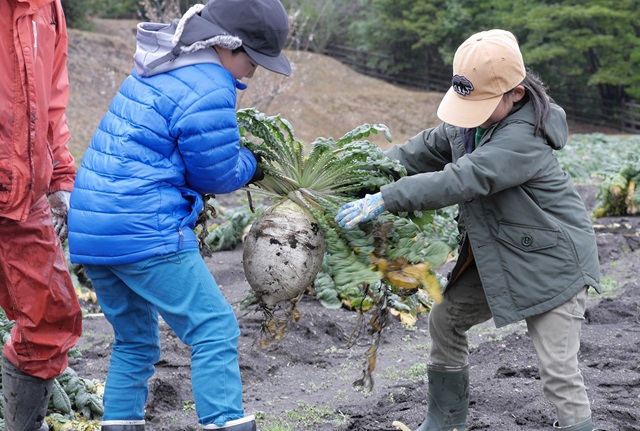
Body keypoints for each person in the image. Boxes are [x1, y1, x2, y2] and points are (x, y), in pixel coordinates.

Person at [336, 29, 602, 431]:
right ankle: (444, 421)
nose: (469, 112)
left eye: (481, 103)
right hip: (500, 253)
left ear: (515, 93)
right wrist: (362, 172)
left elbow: (465, 177)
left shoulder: (525, 137)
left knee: (558, 373)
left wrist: (387, 197)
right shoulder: (469, 128)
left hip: (553, 264)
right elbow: (418, 151)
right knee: (445, 320)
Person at [67, 0, 290, 430]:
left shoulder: (162, 65)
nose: (252, 72)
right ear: (228, 45)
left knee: (133, 342)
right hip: (143, 227)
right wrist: (253, 165)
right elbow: (216, 171)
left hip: (93, 228)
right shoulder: (210, 83)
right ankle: (225, 422)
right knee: (214, 328)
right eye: (254, 61)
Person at [0, 1, 83, 430]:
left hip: (21, 195)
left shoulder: (47, 8)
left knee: (51, 318)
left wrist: (61, 176)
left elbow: (51, 101)